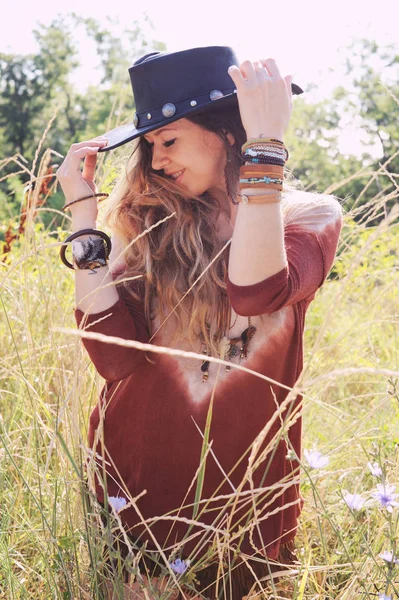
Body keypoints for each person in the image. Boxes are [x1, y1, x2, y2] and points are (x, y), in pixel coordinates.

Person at [56, 46, 342, 600]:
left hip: (245, 499)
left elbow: (256, 291)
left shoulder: (308, 216)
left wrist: (266, 151)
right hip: (135, 489)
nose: (156, 160)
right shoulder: (144, 227)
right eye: (149, 146)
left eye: (169, 140)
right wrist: (85, 218)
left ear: (227, 133)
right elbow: (112, 359)